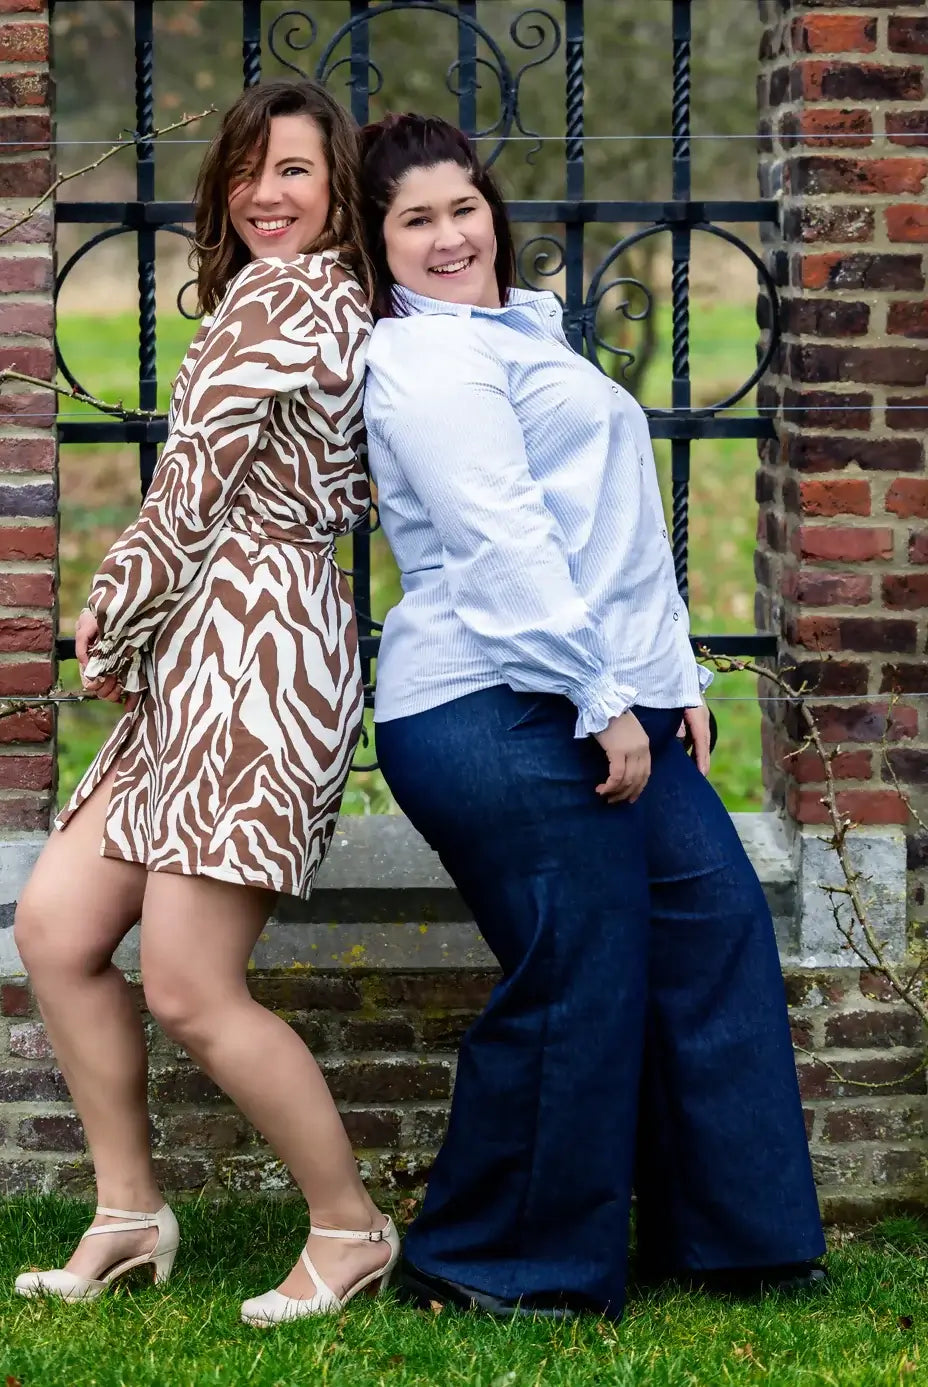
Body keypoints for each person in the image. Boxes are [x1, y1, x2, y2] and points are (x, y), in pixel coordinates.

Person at [358, 113, 826, 1321]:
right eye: (416, 219)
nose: (450, 234)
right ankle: (487, 1263)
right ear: (380, 244)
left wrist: (672, 680)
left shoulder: (518, 331)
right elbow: (503, 541)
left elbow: (613, 527)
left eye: (462, 206)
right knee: (579, 966)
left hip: (595, 691)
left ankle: (733, 1234)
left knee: (711, 916)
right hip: (489, 699)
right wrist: (603, 697)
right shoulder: (421, 363)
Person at [12, 79, 398, 1325]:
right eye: (246, 169)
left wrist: (110, 609)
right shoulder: (292, 297)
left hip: (260, 657)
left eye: (293, 169)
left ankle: (349, 1228)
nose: (264, 194)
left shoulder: (292, 295)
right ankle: (128, 1211)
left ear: (337, 184)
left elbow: (190, 486)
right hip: (205, 653)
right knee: (59, 926)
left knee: (185, 984)